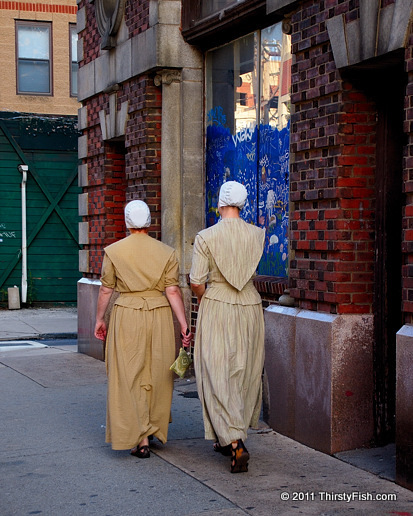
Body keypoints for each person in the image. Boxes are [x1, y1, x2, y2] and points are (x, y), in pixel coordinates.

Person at [94, 200, 192, 459]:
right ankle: (151, 429)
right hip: (159, 314)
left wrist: (99, 319)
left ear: (127, 222)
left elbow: (106, 289)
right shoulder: (166, 252)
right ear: (149, 222)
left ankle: (138, 437)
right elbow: (172, 290)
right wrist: (184, 325)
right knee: (157, 372)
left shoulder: (114, 251)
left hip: (127, 312)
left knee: (128, 373)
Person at [190, 181, 265, 473]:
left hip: (218, 302)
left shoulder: (206, 237)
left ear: (220, 203)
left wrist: (204, 297)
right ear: (243, 204)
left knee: (216, 370)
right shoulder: (257, 235)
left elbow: (197, 281)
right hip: (250, 304)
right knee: (245, 370)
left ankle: (233, 440)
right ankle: (232, 434)